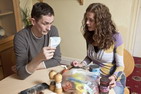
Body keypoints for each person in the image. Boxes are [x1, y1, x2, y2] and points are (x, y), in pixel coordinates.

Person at [71, 3, 126, 94]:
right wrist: (81, 64)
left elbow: (121, 66)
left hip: (113, 81)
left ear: (101, 22)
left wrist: (114, 77)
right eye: (86, 19)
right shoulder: (89, 34)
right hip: (94, 77)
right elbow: (90, 56)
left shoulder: (116, 37)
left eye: (91, 20)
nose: (87, 23)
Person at [13, 2, 61, 80]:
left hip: (45, 74)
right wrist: (39, 58)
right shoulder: (20, 37)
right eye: (45, 23)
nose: (49, 28)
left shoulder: (53, 30)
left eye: (51, 23)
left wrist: (32, 66)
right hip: (29, 78)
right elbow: (22, 74)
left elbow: (56, 60)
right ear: (33, 21)